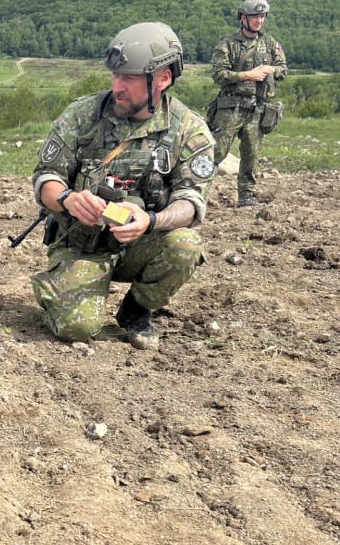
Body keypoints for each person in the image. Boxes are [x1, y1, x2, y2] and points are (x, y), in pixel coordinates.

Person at [30, 22, 216, 350]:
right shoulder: (82, 116)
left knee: (185, 244)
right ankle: (60, 287)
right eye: (115, 76)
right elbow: (45, 177)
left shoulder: (189, 131)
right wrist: (67, 198)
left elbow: (190, 201)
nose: (117, 86)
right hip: (80, 244)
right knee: (76, 328)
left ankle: (136, 310)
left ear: (163, 78)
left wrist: (151, 221)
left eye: (128, 77)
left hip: (139, 246)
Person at [207, 0, 288, 207]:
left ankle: (246, 196)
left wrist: (271, 69)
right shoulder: (228, 44)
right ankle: (195, 191)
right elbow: (218, 74)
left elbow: (283, 70)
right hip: (230, 108)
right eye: (254, 16)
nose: (258, 21)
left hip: (257, 108)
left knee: (251, 155)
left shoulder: (270, 43)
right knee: (216, 152)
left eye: (262, 16)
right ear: (243, 18)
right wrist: (246, 75)